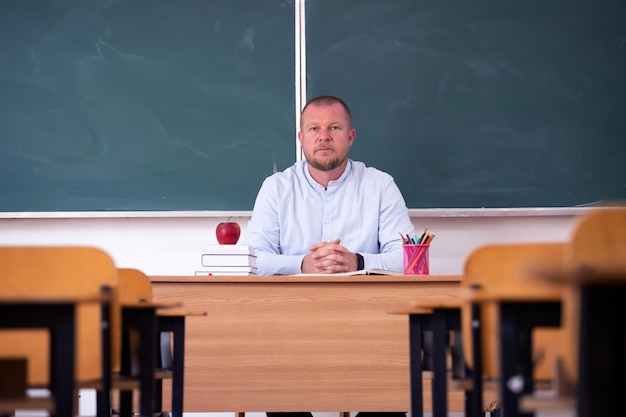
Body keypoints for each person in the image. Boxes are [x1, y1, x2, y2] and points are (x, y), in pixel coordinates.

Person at [243, 95, 413, 417]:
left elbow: (408, 259)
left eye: (334, 127)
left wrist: (357, 262)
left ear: (350, 136)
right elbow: (254, 261)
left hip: (369, 326)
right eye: (314, 128)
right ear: (301, 138)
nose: (324, 137)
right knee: (278, 389)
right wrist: (303, 265)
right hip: (292, 327)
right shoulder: (276, 188)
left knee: (390, 392)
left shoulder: (380, 186)